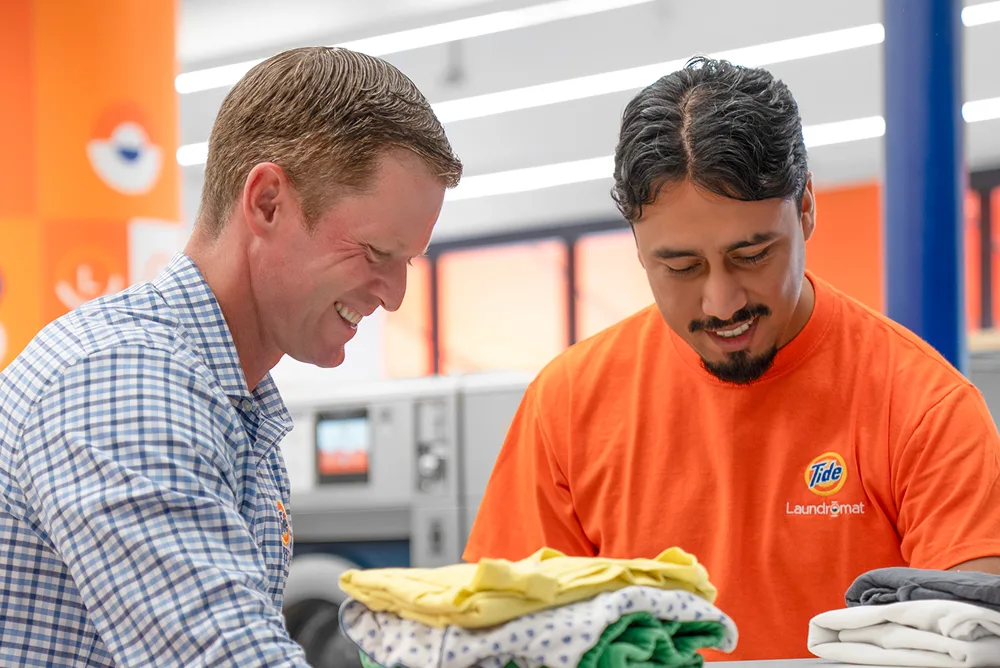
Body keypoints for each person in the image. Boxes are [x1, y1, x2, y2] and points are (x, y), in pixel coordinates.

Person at [463, 56, 1000, 661]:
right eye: (682, 268)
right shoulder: (567, 404)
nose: (722, 302)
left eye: (751, 255)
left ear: (805, 210)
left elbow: (971, 643)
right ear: (637, 247)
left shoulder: (925, 407)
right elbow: (508, 637)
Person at [0, 47, 461, 667]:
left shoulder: (230, 400)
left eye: (406, 262)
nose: (396, 294)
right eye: (376, 251)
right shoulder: (125, 380)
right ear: (266, 202)